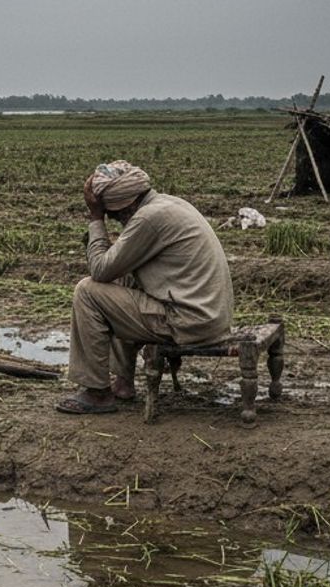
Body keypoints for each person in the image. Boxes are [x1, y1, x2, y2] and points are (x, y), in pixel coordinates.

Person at [56, 160, 233, 414]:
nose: (116, 221)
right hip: (206, 314)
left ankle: (97, 392)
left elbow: (99, 269)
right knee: (121, 282)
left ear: (124, 207)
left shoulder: (147, 219)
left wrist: (96, 219)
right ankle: (123, 382)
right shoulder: (167, 204)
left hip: (189, 320)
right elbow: (115, 272)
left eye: (113, 215)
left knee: (88, 292)